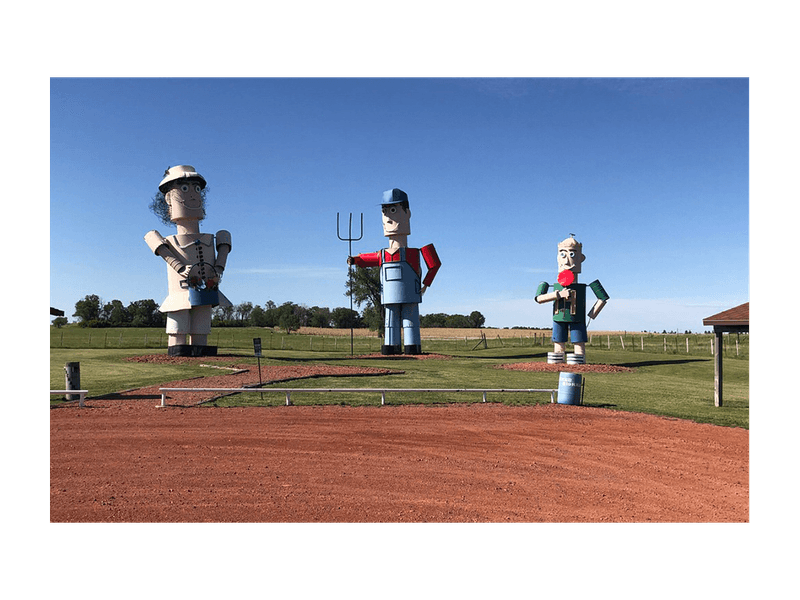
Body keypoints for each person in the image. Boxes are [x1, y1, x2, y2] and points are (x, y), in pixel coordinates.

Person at [144, 165, 232, 356]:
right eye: (184, 189)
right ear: (168, 199)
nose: (192, 195)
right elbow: (158, 246)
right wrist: (180, 267)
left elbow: (223, 252)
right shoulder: (168, 241)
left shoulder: (214, 237)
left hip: (207, 289)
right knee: (178, 323)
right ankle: (178, 352)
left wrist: (218, 268)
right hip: (179, 291)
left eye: (196, 189)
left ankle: (200, 349)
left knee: (202, 324)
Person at [348, 188, 441, 355]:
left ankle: (412, 346)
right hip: (389, 294)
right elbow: (366, 259)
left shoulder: (413, 253)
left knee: (410, 319)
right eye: (384, 212)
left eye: (393, 210)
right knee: (390, 321)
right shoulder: (382, 254)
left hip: (410, 292)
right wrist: (355, 260)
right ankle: (391, 346)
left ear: (407, 214)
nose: (388, 218)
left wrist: (426, 284)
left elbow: (434, 263)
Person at [535, 235, 608, 364]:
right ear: (557, 258)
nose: (567, 261)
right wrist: (557, 295)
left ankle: (578, 362)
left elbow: (602, 297)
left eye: (572, 255)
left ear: (581, 258)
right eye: (563, 255)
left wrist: (592, 313)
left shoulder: (582, 286)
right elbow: (539, 298)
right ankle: (557, 360)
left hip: (577, 317)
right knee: (558, 342)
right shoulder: (551, 285)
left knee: (578, 344)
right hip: (559, 317)